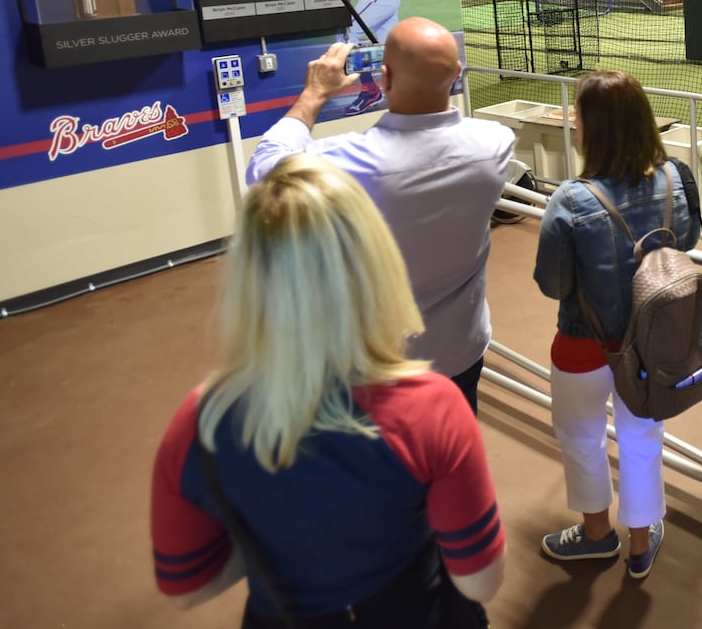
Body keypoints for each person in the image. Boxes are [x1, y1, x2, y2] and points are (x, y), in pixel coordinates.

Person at [150, 154, 506, 626]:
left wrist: (275, 551)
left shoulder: (201, 422)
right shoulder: (430, 407)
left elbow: (186, 585)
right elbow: (479, 581)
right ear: (374, 264)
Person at [246, 18, 514, 413]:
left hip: (374, 369)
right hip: (460, 353)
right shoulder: (494, 143)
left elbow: (263, 171)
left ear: (384, 78)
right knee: (449, 465)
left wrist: (315, 93)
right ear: (457, 74)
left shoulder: (345, 162)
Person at [532, 70, 702, 581]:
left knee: (581, 437)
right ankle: (640, 543)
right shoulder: (676, 177)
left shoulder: (571, 199)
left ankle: (595, 535)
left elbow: (552, 284)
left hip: (583, 345)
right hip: (654, 344)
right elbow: (686, 241)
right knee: (643, 438)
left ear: (592, 128)